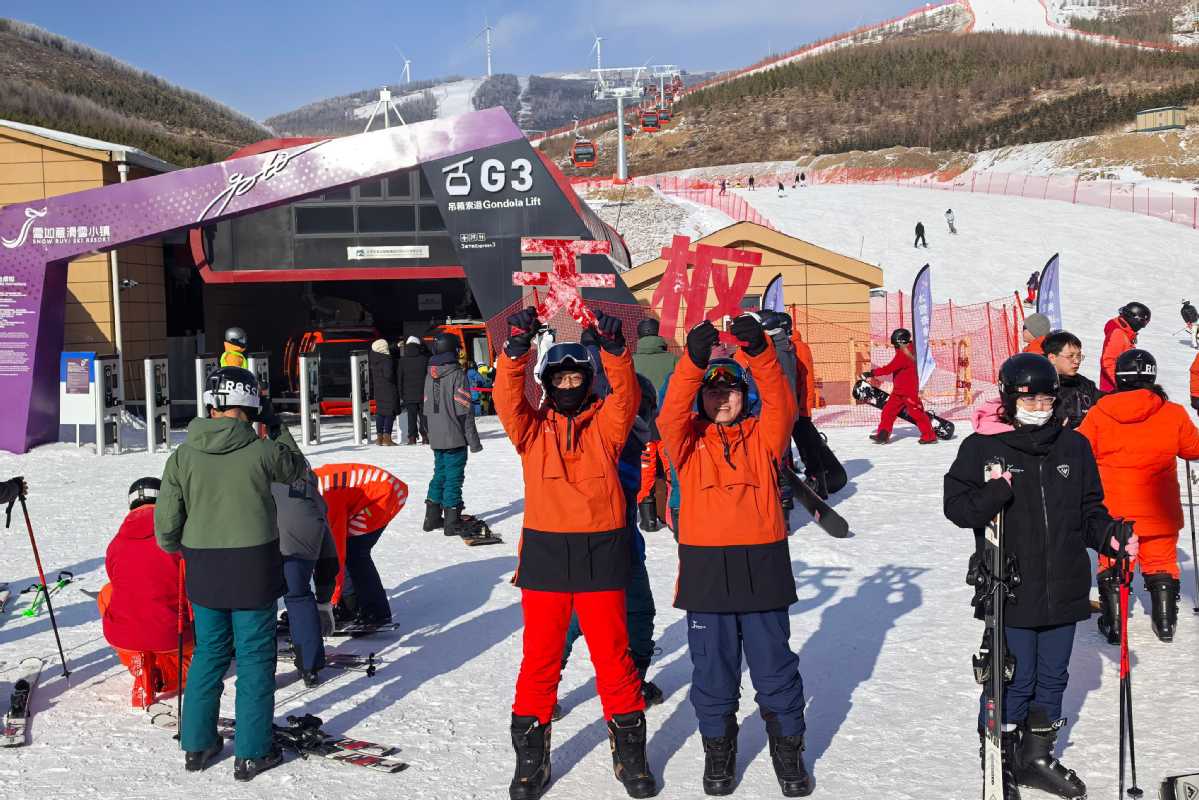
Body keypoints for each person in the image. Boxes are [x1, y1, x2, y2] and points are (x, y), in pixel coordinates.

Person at [944, 352, 1128, 800]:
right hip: (1011, 586)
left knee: (1053, 677)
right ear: (1009, 399)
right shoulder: (983, 447)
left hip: (1065, 583)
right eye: (1030, 400)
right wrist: (994, 492)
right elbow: (958, 508)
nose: (1039, 408)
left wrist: (1110, 536)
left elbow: (1089, 510)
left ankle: (1036, 757)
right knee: (1015, 677)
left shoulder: (1073, 446)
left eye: (1047, 400)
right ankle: (1001, 759)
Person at [495, 307, 655, 800]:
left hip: (600, 552)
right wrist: (516, 351)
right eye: (559, 378)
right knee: (540, 661)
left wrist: (615, 351)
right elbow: (507, 399)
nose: (567, 385)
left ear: (587, 382)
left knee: (614, 660)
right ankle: (531, 761)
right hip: (546, 555)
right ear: (547, 383)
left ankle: (630, 756)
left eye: (575, 377)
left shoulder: (606, 427)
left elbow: (625, 396)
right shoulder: (531, 430)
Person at [660, 316, 812, 797]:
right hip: (706, 571)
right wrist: (692, 362)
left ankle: (788, 752)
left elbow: (783, 401)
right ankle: (719, 752)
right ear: (700, 398)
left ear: (744, 395)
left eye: (730, 391)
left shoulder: (765, 439)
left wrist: (761, 352)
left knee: (775, 668)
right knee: (713, 671)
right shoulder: (686, 443)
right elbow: (668, 415)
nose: (721, 399)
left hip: (762, 566)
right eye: (712, 392)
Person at [155, 366, 307, 780]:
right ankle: (252, 752)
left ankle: (198, 744)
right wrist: (278, 428)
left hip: (204, 566)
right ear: (253, 406)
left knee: (209, 653)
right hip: (253, 566)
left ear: (211, 405)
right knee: (255, 656)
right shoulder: (261, 450)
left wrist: (179, 548)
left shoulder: (183, 455)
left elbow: (166, 524)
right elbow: (297, 469)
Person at [1078, 349, 1199, 644]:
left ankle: (1114, 624)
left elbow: (1079, 449)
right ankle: (1165, 622)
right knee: (1161, 561)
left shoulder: (1099, 413)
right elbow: (1193, 449)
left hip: (1114, 511)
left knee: (1113, 562)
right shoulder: (1172, 413)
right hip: (1160, 509)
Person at [561, 372, 663, 714]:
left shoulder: (632, 441)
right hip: (595, 549)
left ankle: (633, 680)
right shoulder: (603, 440)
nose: (641, 418)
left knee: (634, 613)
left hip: (622, 547)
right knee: (581, 617)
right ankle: (547, 686)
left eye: (643, 410)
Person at [99, 477, 193, 708]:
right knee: (201, 663)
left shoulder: (116, 543)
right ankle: (162, 676)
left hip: (124, 636)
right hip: (173, 633)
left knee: (107, 592)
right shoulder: (179, 536)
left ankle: (138, 661)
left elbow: (116, 578)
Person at [313, 464, 408, 626]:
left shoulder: (326, 499)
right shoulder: (309, 486)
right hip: (373, 490)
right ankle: (351, 604)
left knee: (355, 553)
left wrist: (331, 600)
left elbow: (336, 553)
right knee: (349, 550)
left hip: (385, 494)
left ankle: (376, 612)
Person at [273, 466, 339, 686]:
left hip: (262, 539)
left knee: (259, 601)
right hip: (302, 541)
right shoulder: (312, 496)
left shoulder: (258, 472)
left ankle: (258, 668)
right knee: (299, 596)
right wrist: (324, 601)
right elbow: (328, 555)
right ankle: (309, 666)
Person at [423, 333, 486, 539]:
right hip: (454, 436)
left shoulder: (429, 374)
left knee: (439, 474)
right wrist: (474, 442)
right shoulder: (457, 374)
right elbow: (464, 411)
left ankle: (431, 517)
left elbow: (426, 408)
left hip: (437, 436)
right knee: (453, 478)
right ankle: (452, 521)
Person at [633, 317, 678, 532]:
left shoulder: (631, 361)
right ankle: (674, 516)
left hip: (642, 423)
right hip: (669, 423)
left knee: (646, 470)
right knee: (672, 470)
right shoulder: (673, 360)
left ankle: (648, 520)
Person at [863, 328, 937, 445]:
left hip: (908, 391)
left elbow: (889, 368)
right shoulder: (906, 350)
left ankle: (929, 436)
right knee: (888, 411)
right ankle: (883, 434)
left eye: (896, 345)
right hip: (898, 391)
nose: (895, 347)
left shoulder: (905, 354)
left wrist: (872, 373)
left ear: (901, 342)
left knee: (917, 413)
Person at [1041, 331, 1097, 430]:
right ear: (1052, 358)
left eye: (1079, 356)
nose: (1077, 361)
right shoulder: (1042, 387)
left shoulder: (1086, 384)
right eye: (1070, 356)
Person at [1099, 302, 1150, 392]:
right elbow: (1108, 362)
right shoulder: (1118, 334)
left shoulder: (1125, 334)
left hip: (1119, 390)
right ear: (1132, 317)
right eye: (1142, 322)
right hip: (1114, 391)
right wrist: (1122, 385)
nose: (1143, 327)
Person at [398, 335, 429, 445]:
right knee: (424, 415)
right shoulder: (424, 359)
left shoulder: (402, 361)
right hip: (423, 392)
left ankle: (412, 437)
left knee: (411, 416)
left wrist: (401, 394)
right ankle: (425, 436)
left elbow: (400, 378)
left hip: (408, 394)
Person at [369, 338, 400, 446]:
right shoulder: (387, 359)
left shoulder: (374, 357)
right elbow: (388, 375)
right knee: (389, 413)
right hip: (388, 389)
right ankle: (387, 438)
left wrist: (396, 345)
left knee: (380, 412)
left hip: (378, 389)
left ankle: (379, 438)